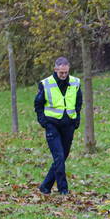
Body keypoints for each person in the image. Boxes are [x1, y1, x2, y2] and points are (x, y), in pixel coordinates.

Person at [35, 57, 81, 195]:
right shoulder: (46, 84)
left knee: (62, 157)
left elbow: (79, 102)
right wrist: (44, 123)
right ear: (55, 69)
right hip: (52, 125)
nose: (64, 75)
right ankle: (63, 190)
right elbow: (38, 104)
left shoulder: (75, 82)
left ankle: (45, 186)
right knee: (59, 157)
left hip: (69, 125)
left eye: (66, 72)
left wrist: (76, 119)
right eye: (61, 72)